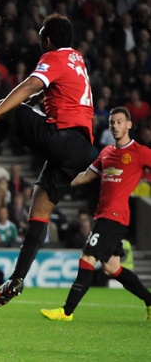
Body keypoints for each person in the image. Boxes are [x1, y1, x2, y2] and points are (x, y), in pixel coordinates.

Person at [0, 14, 94, 306]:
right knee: (39, 210)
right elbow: (50, 93)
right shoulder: (77, 59)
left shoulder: (53, 58)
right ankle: (16, 278)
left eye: (41, 37)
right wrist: (28, 106)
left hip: (62, 137)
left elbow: (30, 85)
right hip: (80, 149)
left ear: (48, 39)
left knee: (5, 109)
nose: (40, 42)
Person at [41, 107, 151, 322]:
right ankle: (150, 301)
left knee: (87, 257)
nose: (115, 126)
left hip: (115, 215)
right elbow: (85, 176)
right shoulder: (106, 152)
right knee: (112, 268)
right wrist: (59, 185)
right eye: (112, 123)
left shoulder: (140, 152)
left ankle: (67, 311)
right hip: (103, 215)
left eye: (119, 122)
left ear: (129, 125)